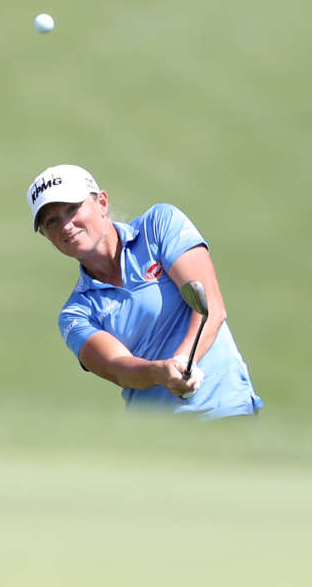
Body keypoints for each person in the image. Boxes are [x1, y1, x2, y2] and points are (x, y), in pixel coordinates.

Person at [26, 164, 261, 420]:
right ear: (47, 236)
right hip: (157, 441)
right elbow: (118, 368)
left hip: (227, 411)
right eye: (51, 221)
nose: (66, 225)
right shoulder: (75, 313)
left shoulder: (158, 226)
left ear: (102, 202)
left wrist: (182, 361)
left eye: (73, 208)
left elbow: (211, 307)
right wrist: (160, 372)